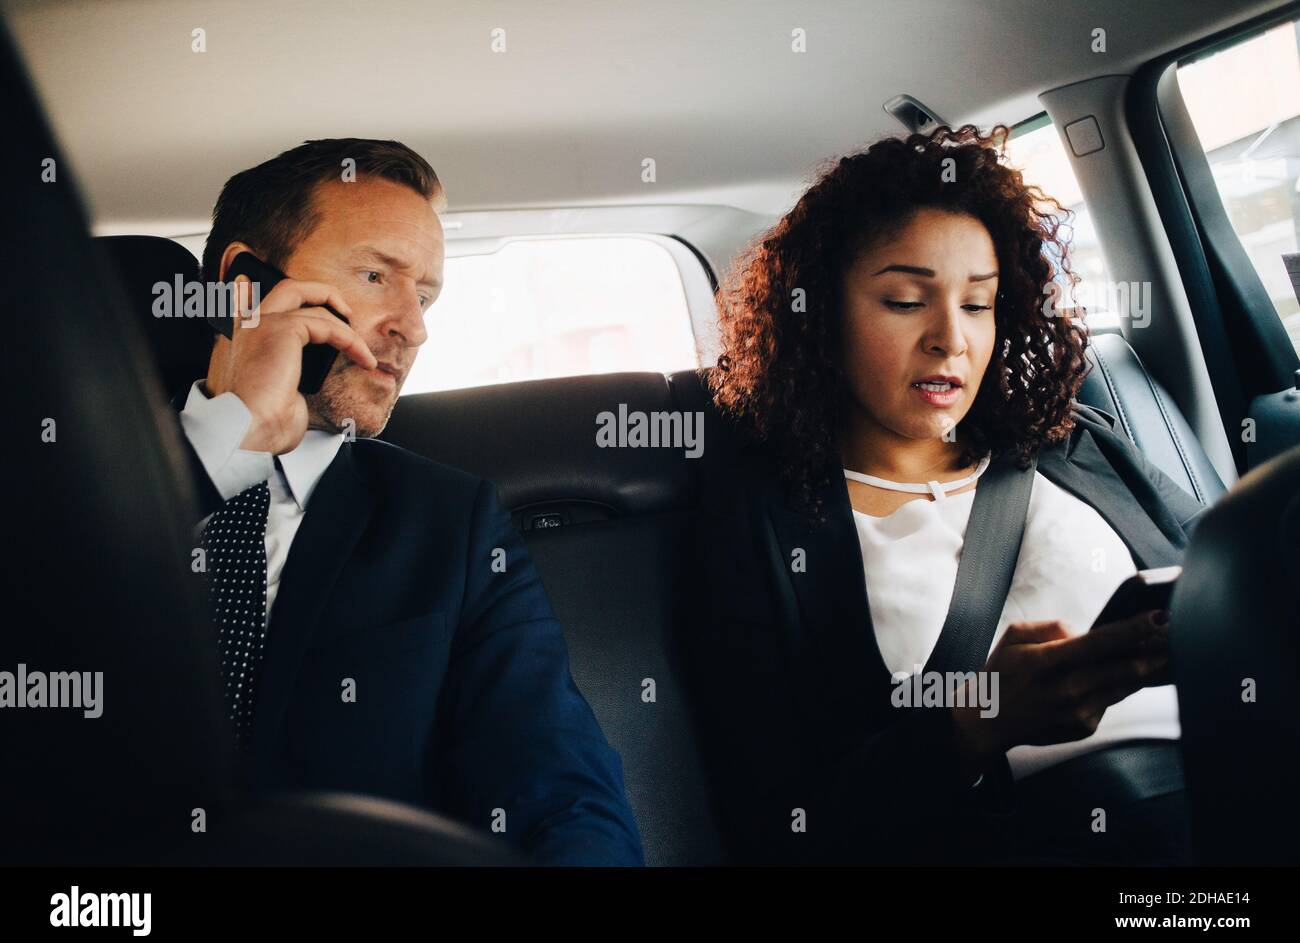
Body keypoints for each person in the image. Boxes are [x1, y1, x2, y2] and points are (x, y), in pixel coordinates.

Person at [686, 125, 1205, 865]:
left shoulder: (1071, 444)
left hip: (1238, 782)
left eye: (978, 304)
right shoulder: (763, 522)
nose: (949, 339)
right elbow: (783, 823)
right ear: (821, 316)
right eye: (905, 301)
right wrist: (974, 724)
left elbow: (1233, 569)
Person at [176, 138, 643, 866]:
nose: (413, 327)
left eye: (422, 297)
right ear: (245, 286)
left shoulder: (450, 525)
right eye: (373, 276)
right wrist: (234, 434)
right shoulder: (62, 476)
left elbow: (556, 784)